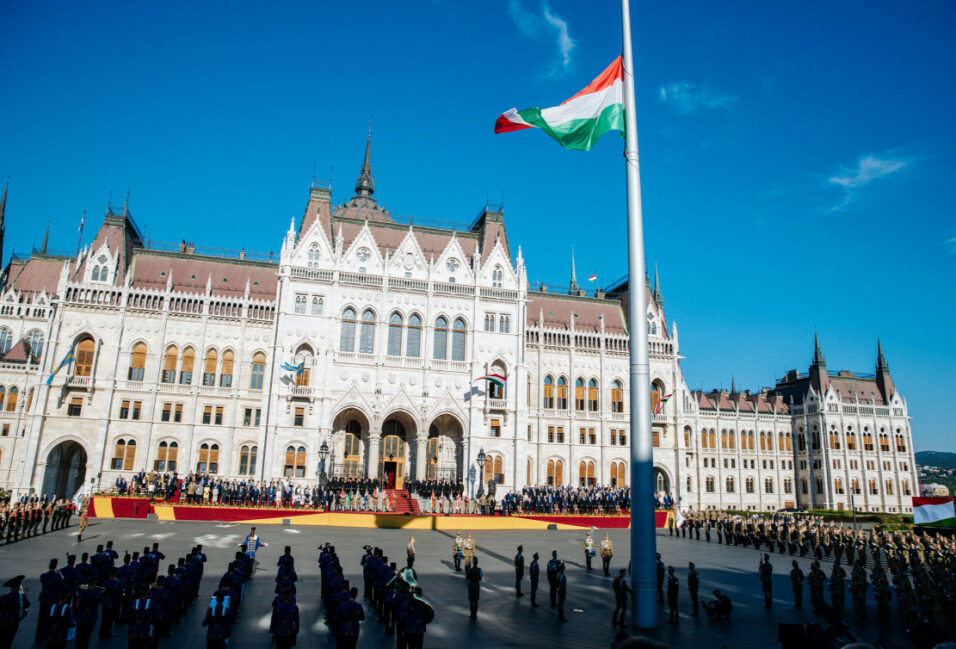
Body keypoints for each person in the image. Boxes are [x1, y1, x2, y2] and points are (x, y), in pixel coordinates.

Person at [0, 576, 29, 649]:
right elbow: (26, 605)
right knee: (9, 639)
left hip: (3, 620)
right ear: (18, 587)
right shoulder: (21, 597)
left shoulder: (3, 597)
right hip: (14, 620)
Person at [74, 583, 102, 649]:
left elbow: (77, 606)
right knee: (87, 634)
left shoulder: (80, 594)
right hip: (91, 615)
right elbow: (99, 601)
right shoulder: (97, 593)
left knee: (79, 634)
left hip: (81, 615)